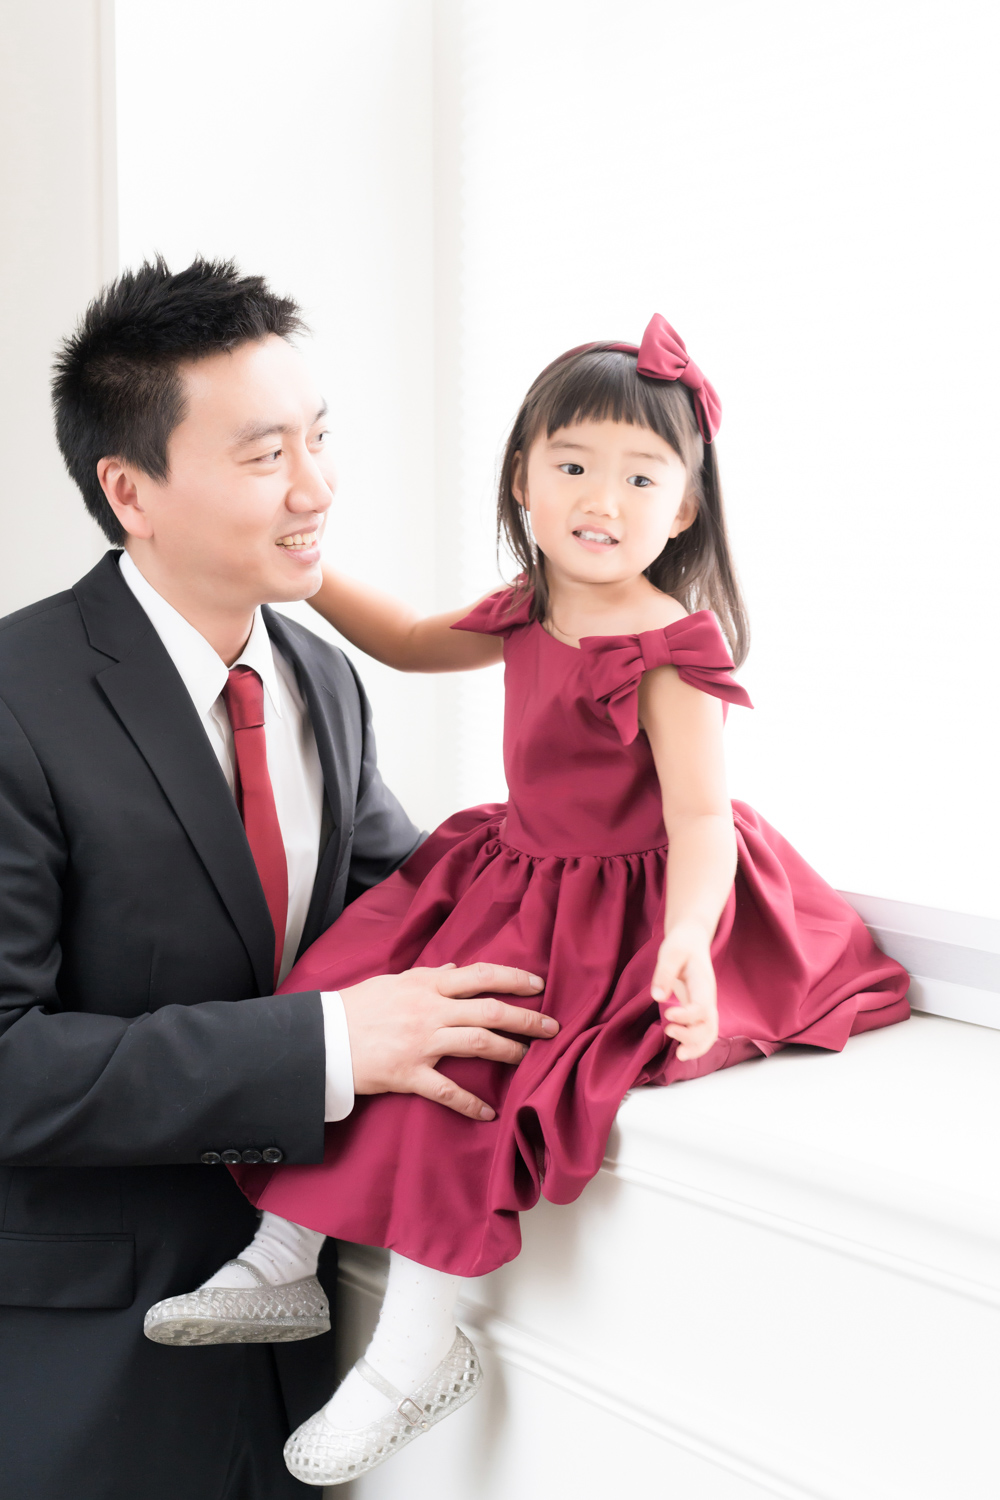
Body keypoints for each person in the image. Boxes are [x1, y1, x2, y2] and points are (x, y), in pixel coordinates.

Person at [148, 314, 911, 1488]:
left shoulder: (667, 651)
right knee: (337, 992)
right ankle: (282, 1257)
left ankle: (412, 1358)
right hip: (515, 870)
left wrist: (690, 945)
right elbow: (403, 639)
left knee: (475, 1082)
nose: (600, 497)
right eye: (571, 465)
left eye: (640, 475)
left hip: (622, 903)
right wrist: (289, 565)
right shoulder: (527, 607)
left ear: (686, 510)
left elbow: (702, 822)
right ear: (522, 478)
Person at [0, 257, 558, 1500]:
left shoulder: (319, 676)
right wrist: (322, 1048)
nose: (317, 490)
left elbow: (413, 916)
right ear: (129, 489)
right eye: (265, 458)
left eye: (320, 438)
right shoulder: (14, 702)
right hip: (74, 1363)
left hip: (299, 1352)